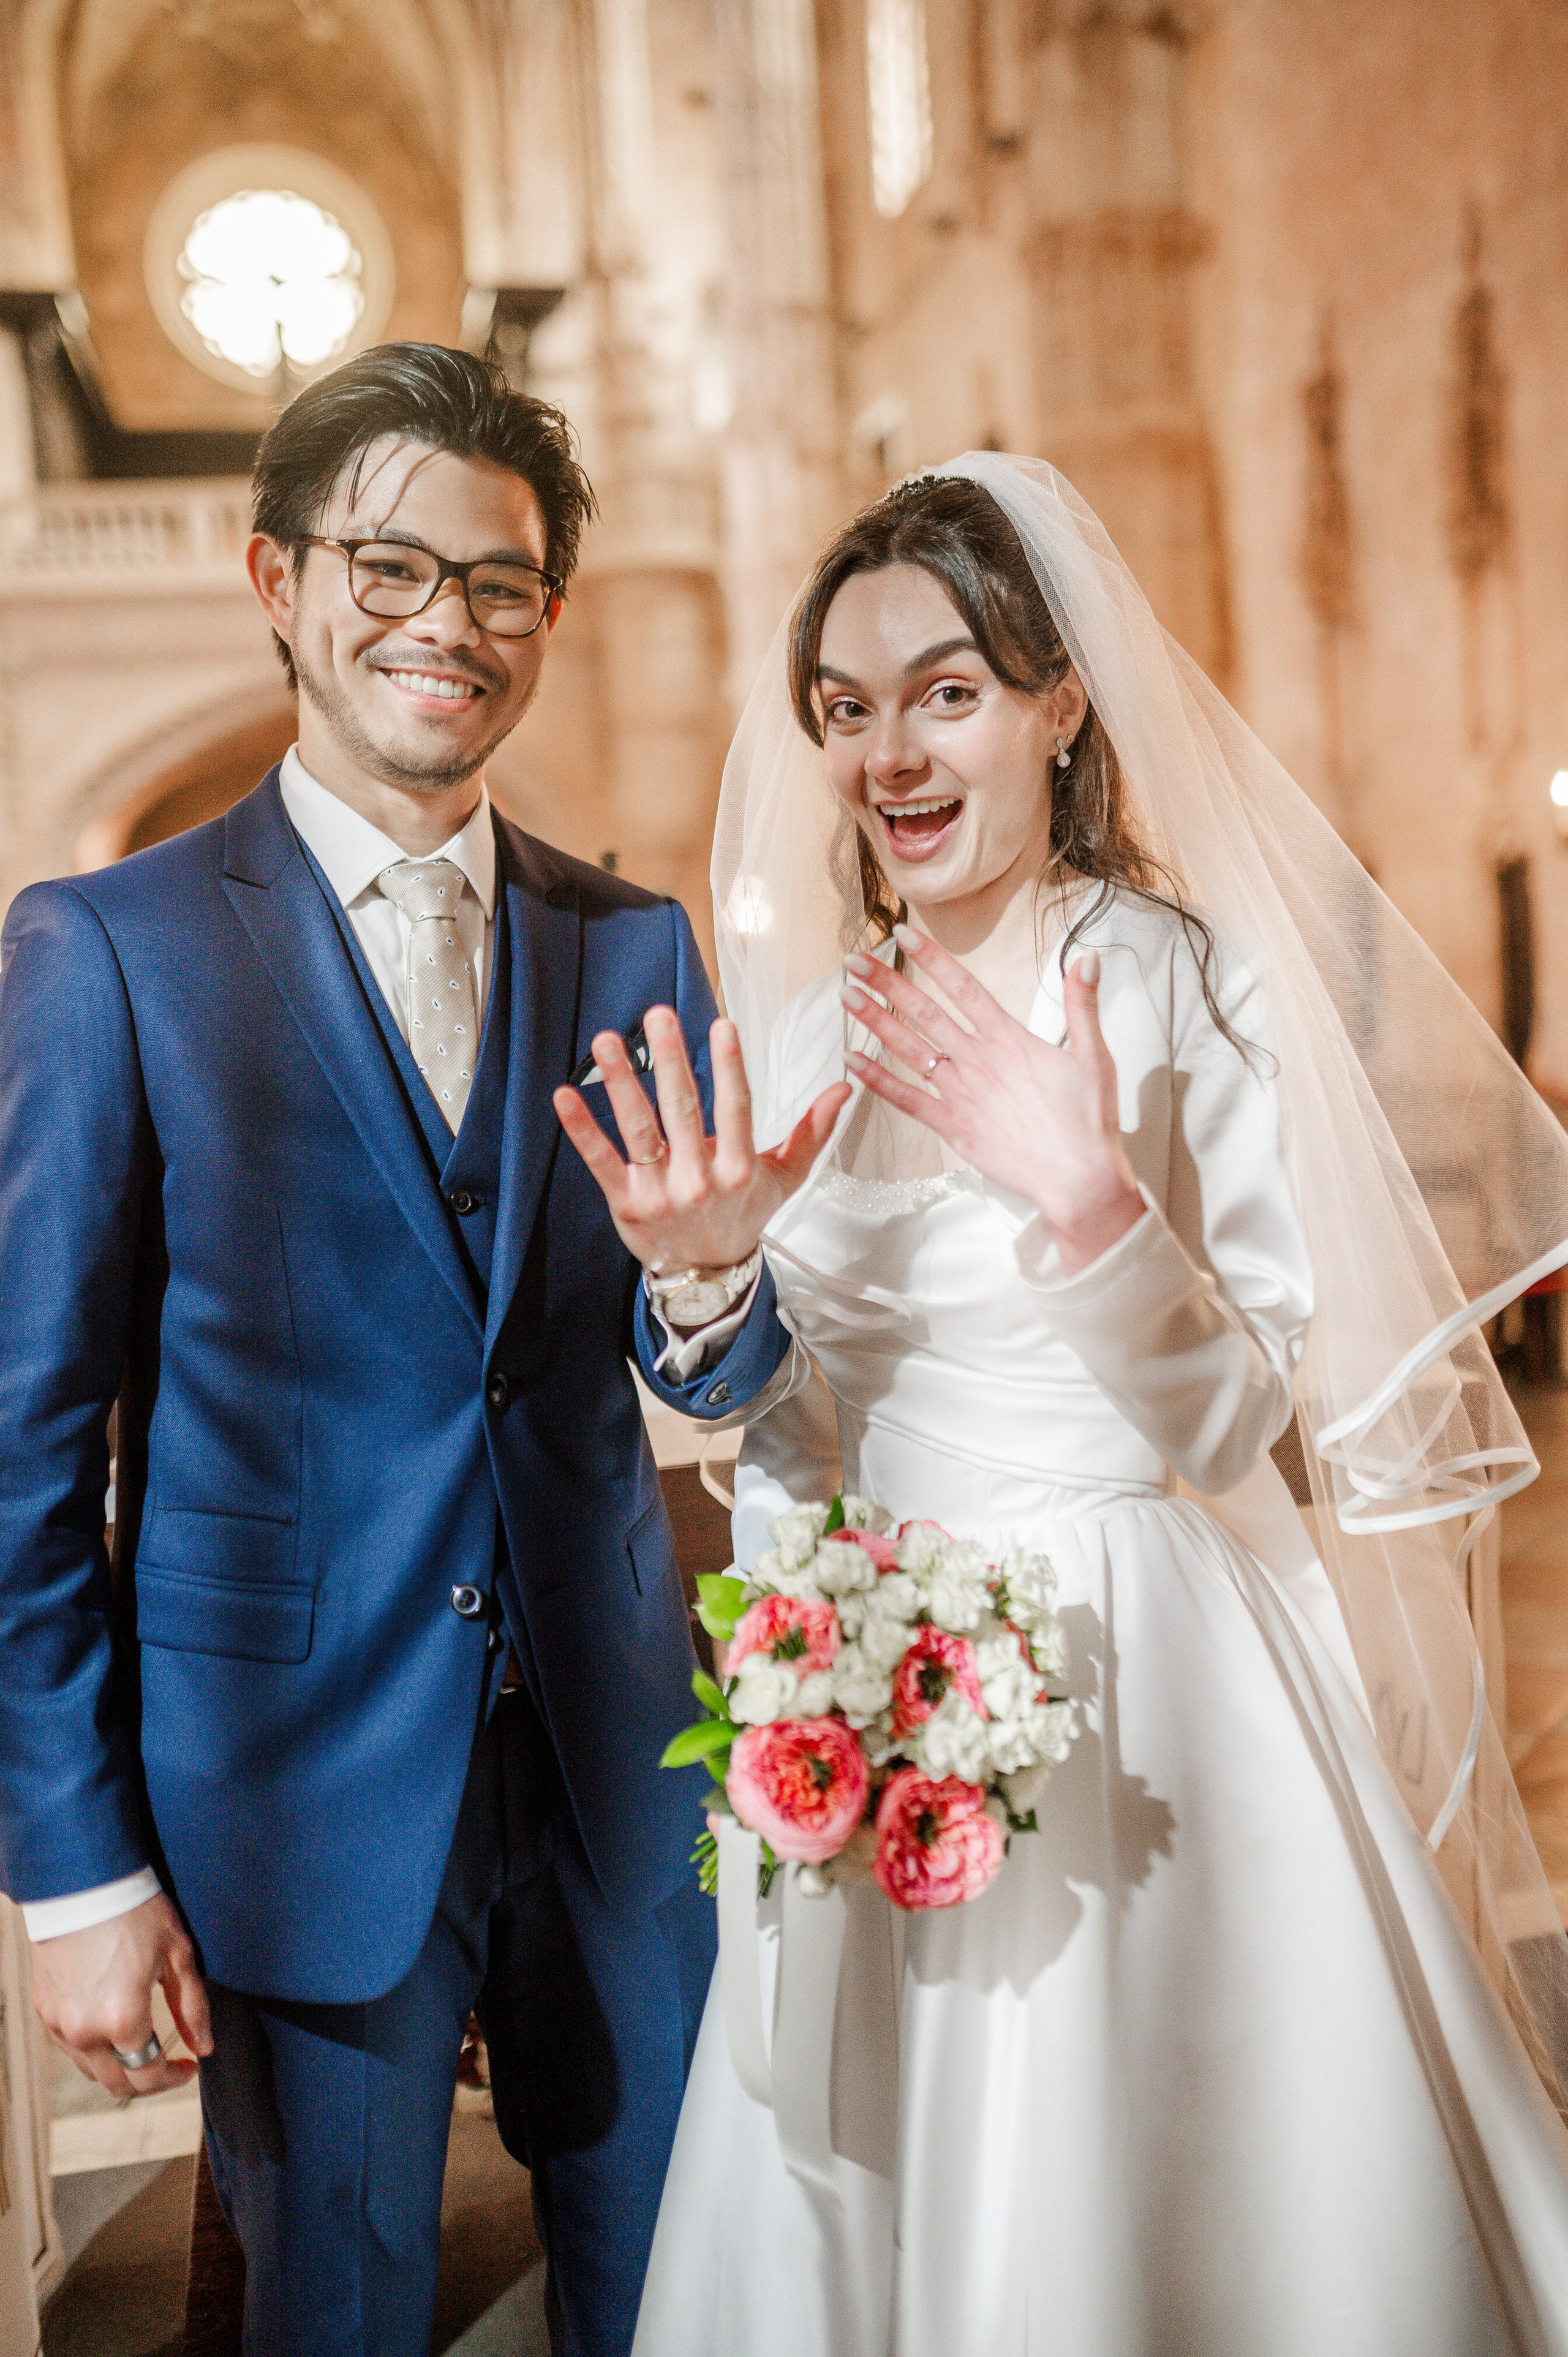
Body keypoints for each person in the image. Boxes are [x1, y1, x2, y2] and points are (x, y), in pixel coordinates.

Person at [618, 459, 1568, 2355]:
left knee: (1148, 2175)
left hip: (1139, 1672)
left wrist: (1092, 1207)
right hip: (862, 1677)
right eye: (850, 705)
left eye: (948, 690)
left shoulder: (1178, 982)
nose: (892, 750)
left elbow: (1231, 1429)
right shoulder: (820, 1023)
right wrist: (702, 1278)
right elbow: (783, 1418)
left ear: (1061, 706)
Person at [0, 342, 843, 2357]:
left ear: (546, 617)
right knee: (344, 2307)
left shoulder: (628, 944)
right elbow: (28, 1450)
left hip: (621, 1767)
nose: (447, 626)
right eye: (392, 569)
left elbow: (708, 1376)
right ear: (279, 579)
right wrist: (75, 1869)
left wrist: (716, 1290)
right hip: (295, 1785)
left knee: (674, 2285)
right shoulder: (105, 950)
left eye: (499, 583)